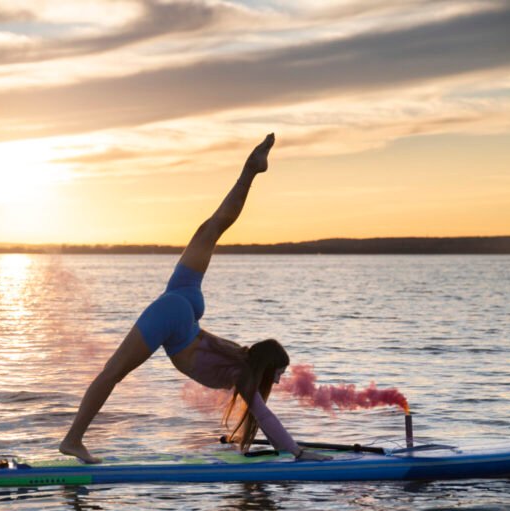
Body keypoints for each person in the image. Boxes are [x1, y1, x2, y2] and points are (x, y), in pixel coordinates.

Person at [59, 134, 332, 463]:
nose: (278, 378)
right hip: (175, 318)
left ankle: (250, 170)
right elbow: (264, 416)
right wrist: (299, 452)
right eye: (278, 371)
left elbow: (262, 418)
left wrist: (280, 447)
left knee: (213, 227)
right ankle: (72, 440)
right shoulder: (243, 373)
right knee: (112, 373)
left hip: (184, 301)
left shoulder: (241, 359)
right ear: (267, 365)